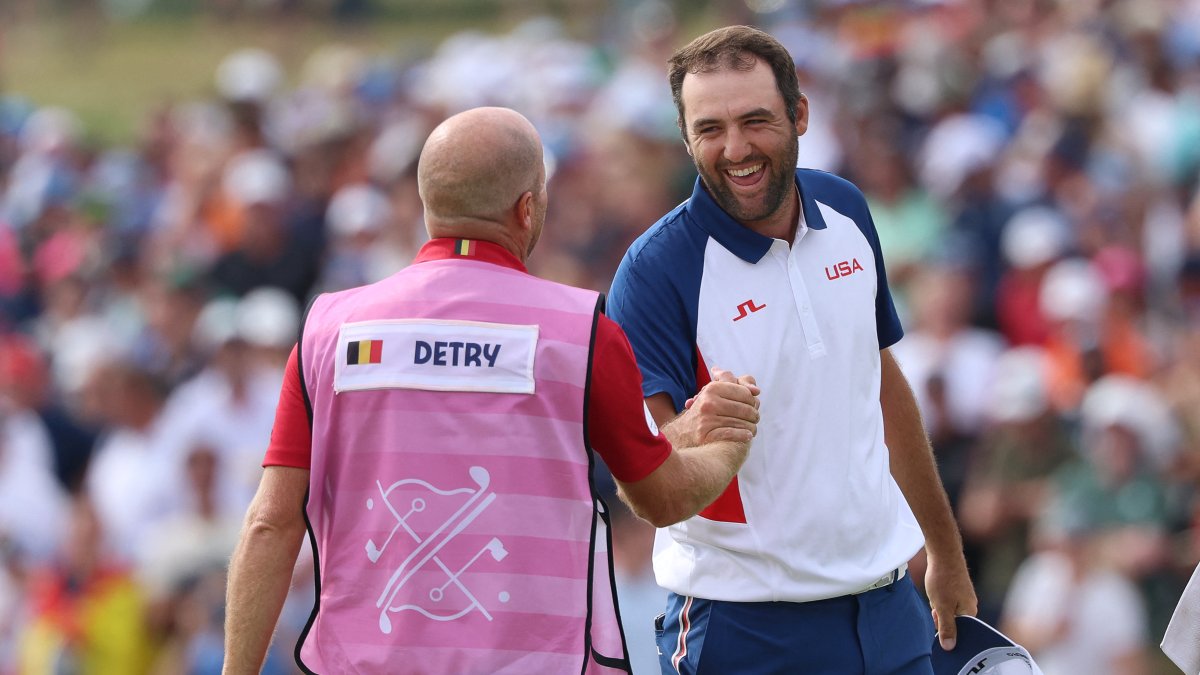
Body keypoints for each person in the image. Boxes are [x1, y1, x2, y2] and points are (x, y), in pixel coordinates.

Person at [222, 106, 762, 675]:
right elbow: (662, 497)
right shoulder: (580, 331)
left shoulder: (330, 330)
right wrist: (727, 440)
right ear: (527, 208)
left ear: (429, 204)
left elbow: (270, 524)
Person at [607, 26, 977, 674]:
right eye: (710, 128)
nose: (736, 148)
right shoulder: (654, 269)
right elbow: (651, 480)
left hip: (890, 612)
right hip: (745, 629)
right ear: (685, 135)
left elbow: (882, 384)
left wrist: (945, 551)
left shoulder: (848, 210)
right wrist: (688, 431)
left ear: (800, 114)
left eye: (756, 121)